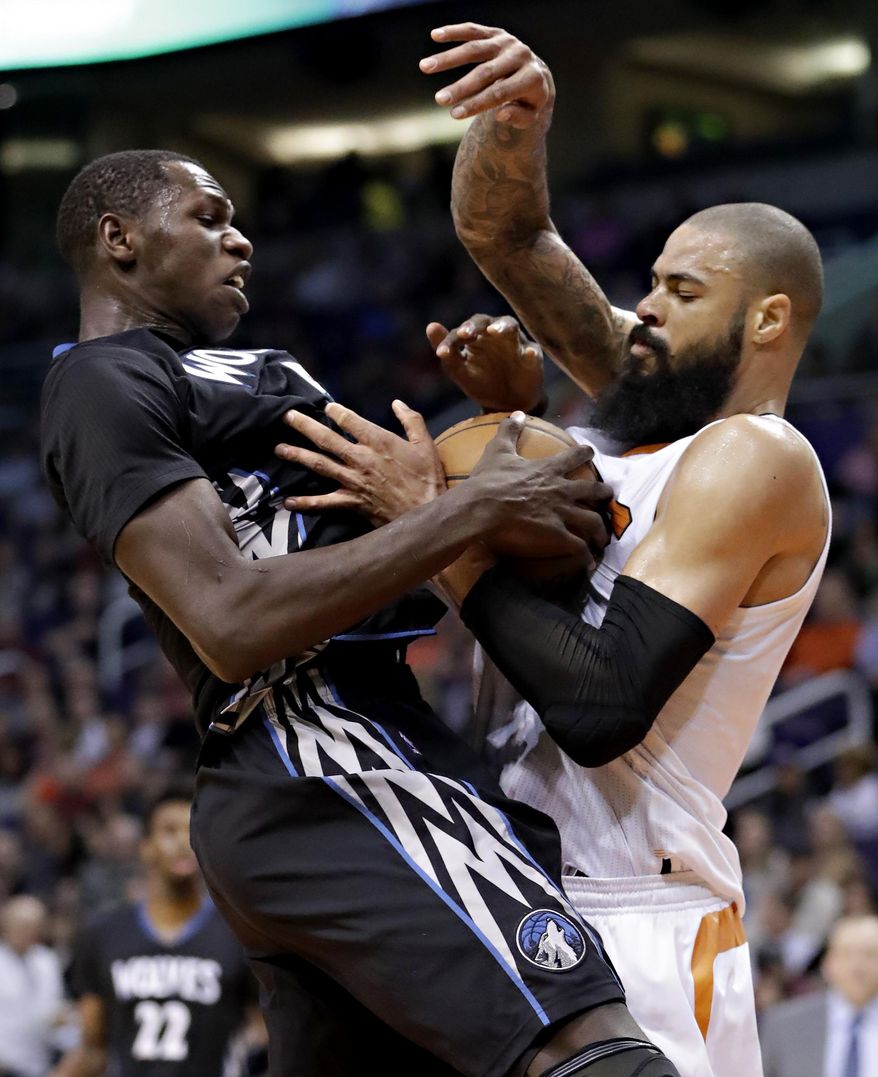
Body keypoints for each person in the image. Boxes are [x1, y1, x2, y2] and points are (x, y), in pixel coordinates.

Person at [41, 149, 683, 1076]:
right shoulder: (102, 381)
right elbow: (227, 618)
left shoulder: (234, 372)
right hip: (323, 746)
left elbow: (407, 519)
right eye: (210, 217)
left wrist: (508, 418)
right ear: (120, 240)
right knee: (594, 1048)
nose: (241, 240)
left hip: (322, 767)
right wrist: (480, 503)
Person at [274, 20, 831, 1077]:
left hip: (638, 909)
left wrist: (432, 520)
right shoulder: (646, 406)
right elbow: (511, 240)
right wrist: (516, 124)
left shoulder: (754, 456)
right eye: (653, 282)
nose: (645, 309)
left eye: (680, 292)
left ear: (765, 320)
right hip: (522, 874)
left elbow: (598, 705)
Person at [51, 787, 258, 1077]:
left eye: (191, 830)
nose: (182, 842)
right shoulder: (103, 933)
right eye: (169, 831)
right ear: (146, 847)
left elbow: (266, 1037)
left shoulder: (239, 934)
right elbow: (92, 1050)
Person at [759, 914, 878, 1076]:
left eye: (870, 954)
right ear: (827, 964)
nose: (857, 966)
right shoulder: (785, 1025)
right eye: (846, 953)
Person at [0, 895, 66, 1077]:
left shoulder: (47, 960)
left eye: (35, 926)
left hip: (40, 1061)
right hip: (5, 1064)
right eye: (23, 925)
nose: (28, 932)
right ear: (6, 926)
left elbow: (53, 1008)